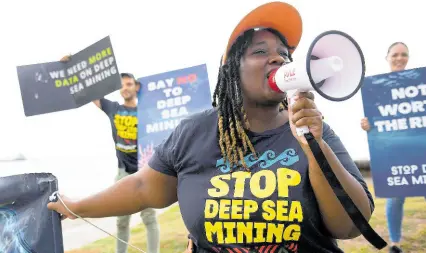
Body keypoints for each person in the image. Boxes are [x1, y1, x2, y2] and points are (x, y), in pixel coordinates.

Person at [50, 2, 374, 252]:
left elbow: (348, 226)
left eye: (284, 54)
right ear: (230, 69)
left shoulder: (317, 133)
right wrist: (76, 206)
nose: (277, 59)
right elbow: (140, 189)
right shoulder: (194, 133)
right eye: (260, 51)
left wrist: (312, 144)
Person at [61, 56, 160, 253]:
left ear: (136, 87)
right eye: (122, 85)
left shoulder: (147, 111)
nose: (125, 88)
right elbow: (88, 93)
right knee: (121, 222)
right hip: (122, 173)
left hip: (146, 172)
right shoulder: (114, 108)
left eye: (129, 84)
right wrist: (71, 65)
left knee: (149, 218)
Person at [360, 42, 426, 253]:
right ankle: (395, 244)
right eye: (395, 54)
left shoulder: (420, 85)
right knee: (395, 197)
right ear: (387, 57)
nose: (400, 58)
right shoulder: (377, 88)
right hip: (394, 154)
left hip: (419, 150)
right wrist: (368, 125)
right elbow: (376, 120)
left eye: (404, 54)